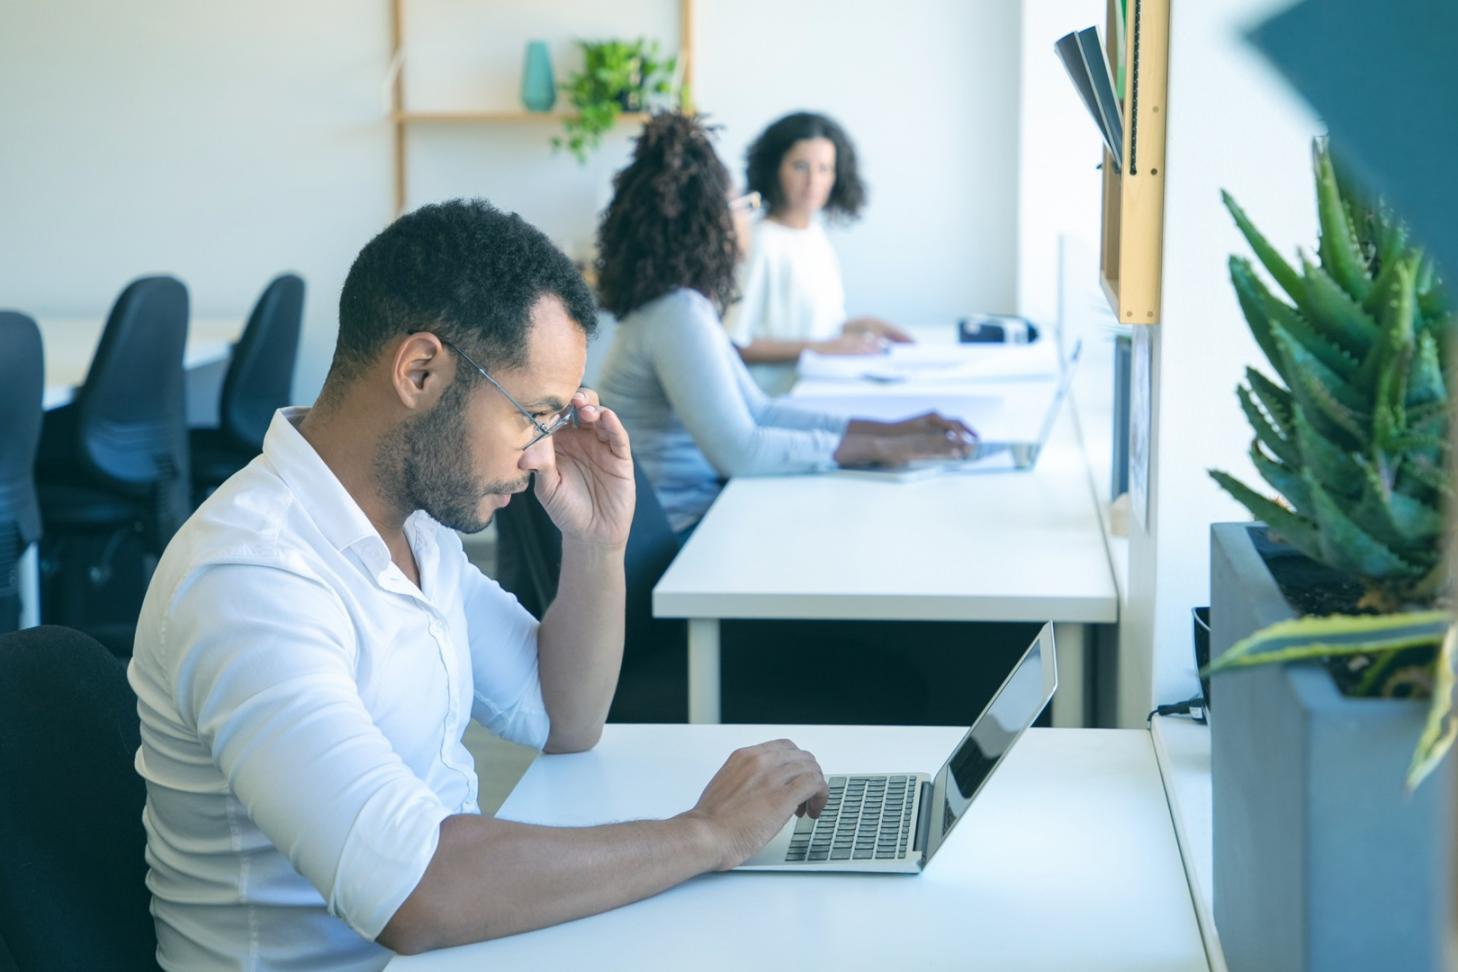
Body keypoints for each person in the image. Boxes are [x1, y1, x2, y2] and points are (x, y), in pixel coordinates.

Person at [127, 199, 830, 969]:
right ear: (420, 372)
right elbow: (415, 889)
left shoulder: (415, 527)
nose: (541, 456)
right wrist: (706, 834)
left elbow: (565, 717)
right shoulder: (249, 578)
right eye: (533, 416)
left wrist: (597, 544)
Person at [594, 113, 974, 534]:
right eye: (743, 206)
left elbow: (761, 412)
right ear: (709, 222)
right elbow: (741, 451)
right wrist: (881, 448)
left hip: (699, 512)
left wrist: (896, 431)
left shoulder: (684, 307)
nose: (747, 219)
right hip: (678, 533)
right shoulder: (676, 315)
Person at [723, 111, 911, 387]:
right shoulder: (761, 242)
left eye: (824, 169)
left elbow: (817, 329)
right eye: (800, 166)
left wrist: (862, 327)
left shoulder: (815, 236)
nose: (813, 181)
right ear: (774, 168)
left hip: (817, 389)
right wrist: (821, 349)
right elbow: (733, 344)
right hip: (775, 398)